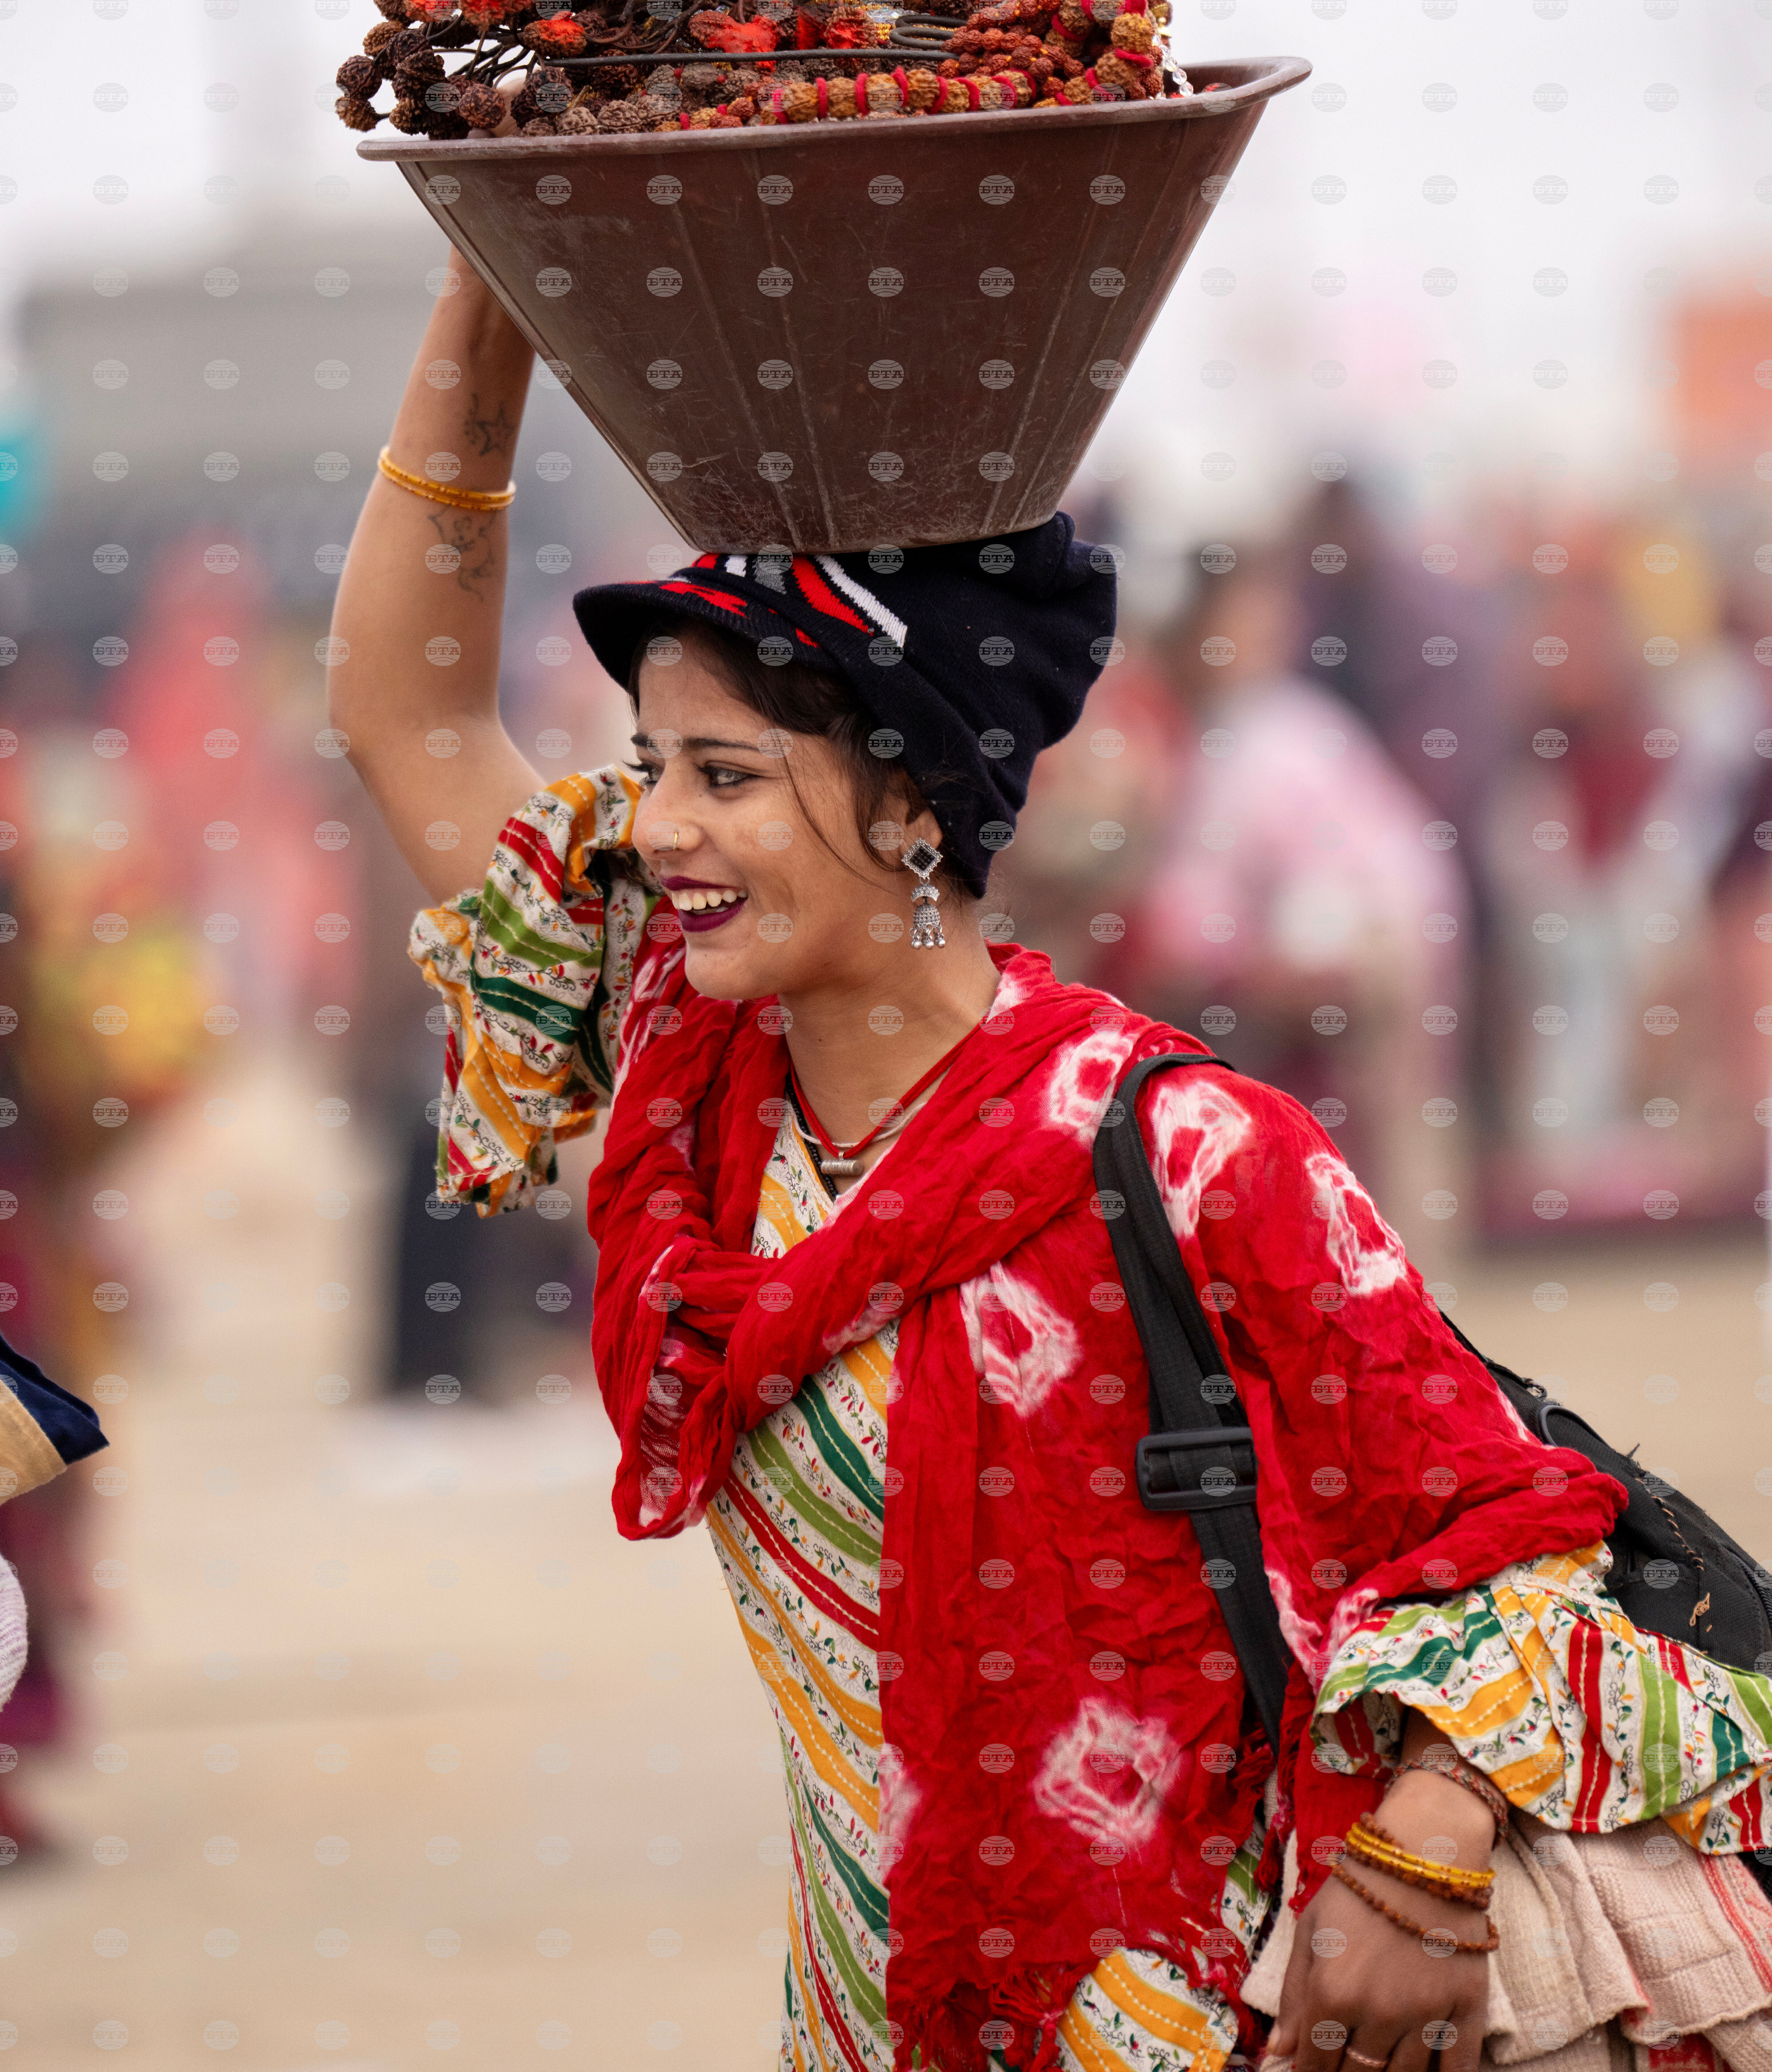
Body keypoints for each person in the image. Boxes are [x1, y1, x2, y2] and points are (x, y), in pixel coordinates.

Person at [331, 255, 1772, 2072]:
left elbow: (1510, 1533)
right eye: (651, 766)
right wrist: (500, 276)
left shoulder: (1183, 1151)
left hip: (1216, 2016)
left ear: (912, 803)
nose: (661, 826)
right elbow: (407, 719)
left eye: (726, 776)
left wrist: (1422, 1860)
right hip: (883, 2016)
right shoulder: (692, 1093)